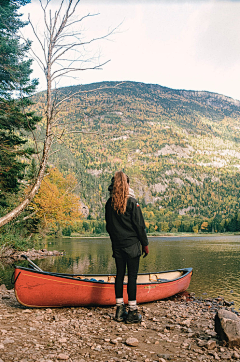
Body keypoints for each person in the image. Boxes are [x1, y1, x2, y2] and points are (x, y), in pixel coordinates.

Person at [105, 171, 149, 324]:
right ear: (127, 184)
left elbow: (109, 227)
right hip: (132, 246)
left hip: (117, 246)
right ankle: (132, 311)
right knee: (132, 277)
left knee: (119, 275)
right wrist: (145, 244)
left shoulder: (109, 204)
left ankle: (119, 310)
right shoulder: (132, 202)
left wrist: (115, 241)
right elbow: (139, 226)